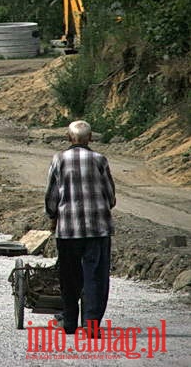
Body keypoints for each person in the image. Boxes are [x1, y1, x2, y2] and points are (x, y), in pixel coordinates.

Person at [44, 120, 116, 335]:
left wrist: (52, 217)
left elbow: (52, 196)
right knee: (96, 276)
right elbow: (110, 196)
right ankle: (91, 325)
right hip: (97, 229)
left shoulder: (59, 159)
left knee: (69, 276)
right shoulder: (99, 160)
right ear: (90, 138)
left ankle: (69, 323)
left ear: (68, 138)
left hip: (68, 230)